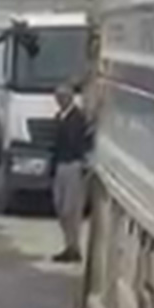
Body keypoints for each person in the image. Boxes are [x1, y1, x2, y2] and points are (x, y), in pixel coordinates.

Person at [49, 84, 92, 263]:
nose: (60, 100)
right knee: (60, 206)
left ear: (71, 98)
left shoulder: (78, 118)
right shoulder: (59, 117)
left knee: (71, 209)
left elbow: (81, 141)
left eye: (63, 96)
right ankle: (68, 245)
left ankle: (74, 248)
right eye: (58, 97)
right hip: (60, 165)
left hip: (73, 164)